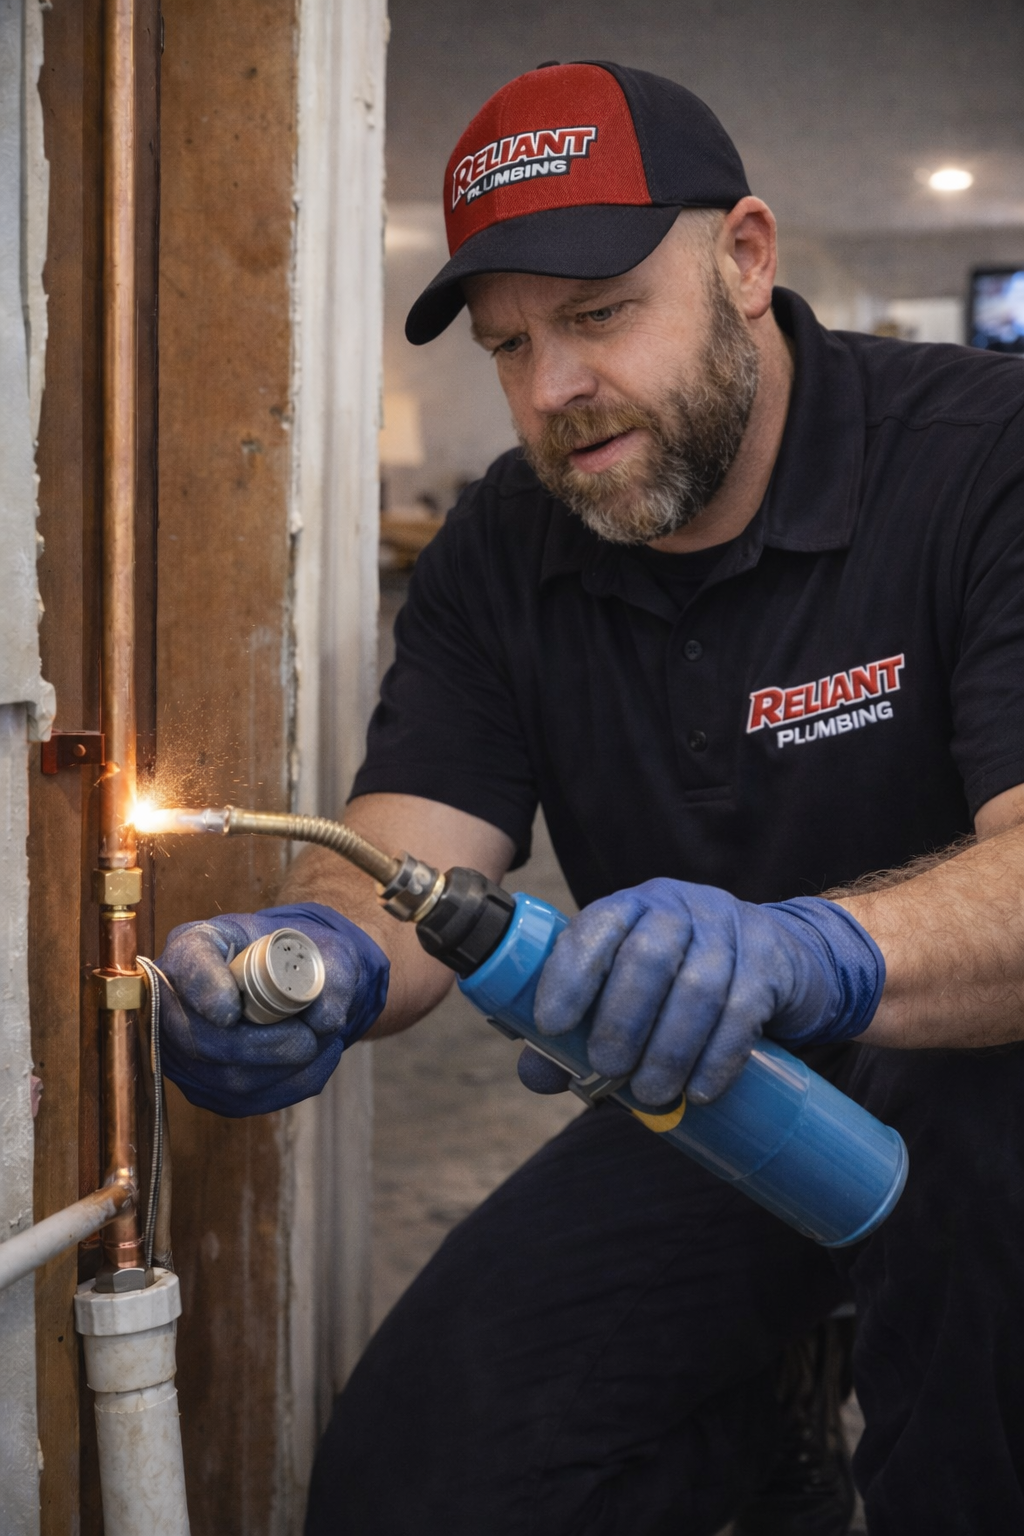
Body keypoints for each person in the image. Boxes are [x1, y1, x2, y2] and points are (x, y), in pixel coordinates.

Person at [158, 63, 1024, 1535]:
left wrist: (807, 949)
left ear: (745, 259)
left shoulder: (983, 453)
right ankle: (764, 1438)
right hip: (724, 1103)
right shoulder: (508, 542)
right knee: (414, 1487)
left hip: (992, 1080)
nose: (551, 391)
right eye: (511, 347)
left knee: (970, 1468)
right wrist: (330, 965)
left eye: (599, 315)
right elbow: (408, 843)